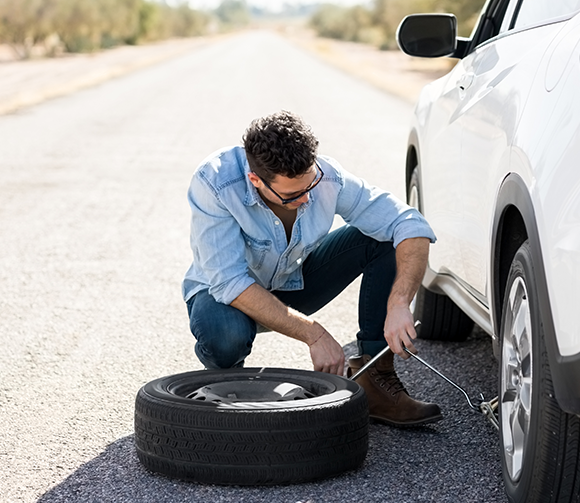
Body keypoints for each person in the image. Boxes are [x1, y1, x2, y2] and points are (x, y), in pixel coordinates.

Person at [183, 111, 442, 426]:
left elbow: (409, 223)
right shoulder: (215, 182)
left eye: (310, 185)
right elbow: (230, 284)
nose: (307, 199)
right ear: (255, 180)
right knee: (225, 337)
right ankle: (228, 385)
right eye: (292, 195)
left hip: (294, 283)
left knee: (384, 238)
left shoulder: (327, 178)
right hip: (226, 298)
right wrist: (314, 334)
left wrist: (400, 300)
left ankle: (376, 381)